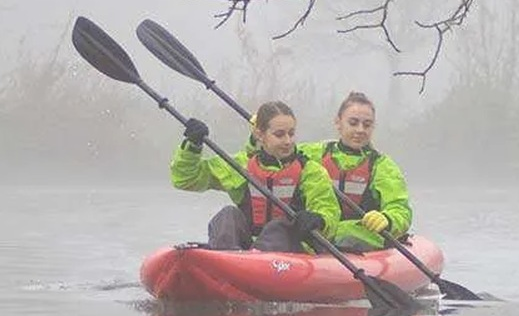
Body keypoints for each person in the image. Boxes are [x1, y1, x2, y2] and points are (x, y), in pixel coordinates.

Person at [171, 100, 339, 253]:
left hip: (292, 250)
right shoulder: (240, 166)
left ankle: (248, 263)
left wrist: (319, 220)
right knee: (227, 214)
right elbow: (186, 179)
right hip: (244, 250)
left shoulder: (310, 171)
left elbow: (328, 210)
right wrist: (192, 146)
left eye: (291, 133)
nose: (288, 141)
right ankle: (227, 257)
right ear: (260, 135)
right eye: (279, 135)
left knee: (278, 227)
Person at [300, 91, 413, 252]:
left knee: (345, 237)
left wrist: (387, 219)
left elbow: (400, 209)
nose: (360, 130)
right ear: (338, 123)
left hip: (360, 237)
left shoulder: (382, 166)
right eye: (353, 123)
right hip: (316, 232)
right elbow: (273, 153)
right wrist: (259, 137)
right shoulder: (313, 153)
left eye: (367, 125)